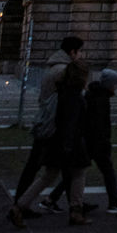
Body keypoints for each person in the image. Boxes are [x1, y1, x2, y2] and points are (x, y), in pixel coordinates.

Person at [9, 60, 91, 227]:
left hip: (54, 141)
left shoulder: (61, 90)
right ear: (82, 77)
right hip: (69, 144)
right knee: (79, 173)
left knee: (48, 176)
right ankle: (76, 211)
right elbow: (71, 123)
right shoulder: (74, 96)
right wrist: (69, 147)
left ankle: (19, 207)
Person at [16, 36, 88, 203]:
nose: (81, 55)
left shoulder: (55, 67)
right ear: (72, 52)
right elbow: (70, 97)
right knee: (54, 169)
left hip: (48, 121)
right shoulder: (65, 70)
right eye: (80, 51)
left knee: (54, 168)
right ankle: (21, 204)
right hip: (54, 124)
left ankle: (74, 205)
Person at [46, 69, 117, 216]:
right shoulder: (101, 99)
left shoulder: (93, 94)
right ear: (110, 85)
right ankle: (115, 203)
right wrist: (105, 142)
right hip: (96, 143)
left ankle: (51, 199)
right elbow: (99, 124)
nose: (116, 87)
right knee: (106, 172)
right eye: (115, 84)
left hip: (88, 141)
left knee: (76, 173)